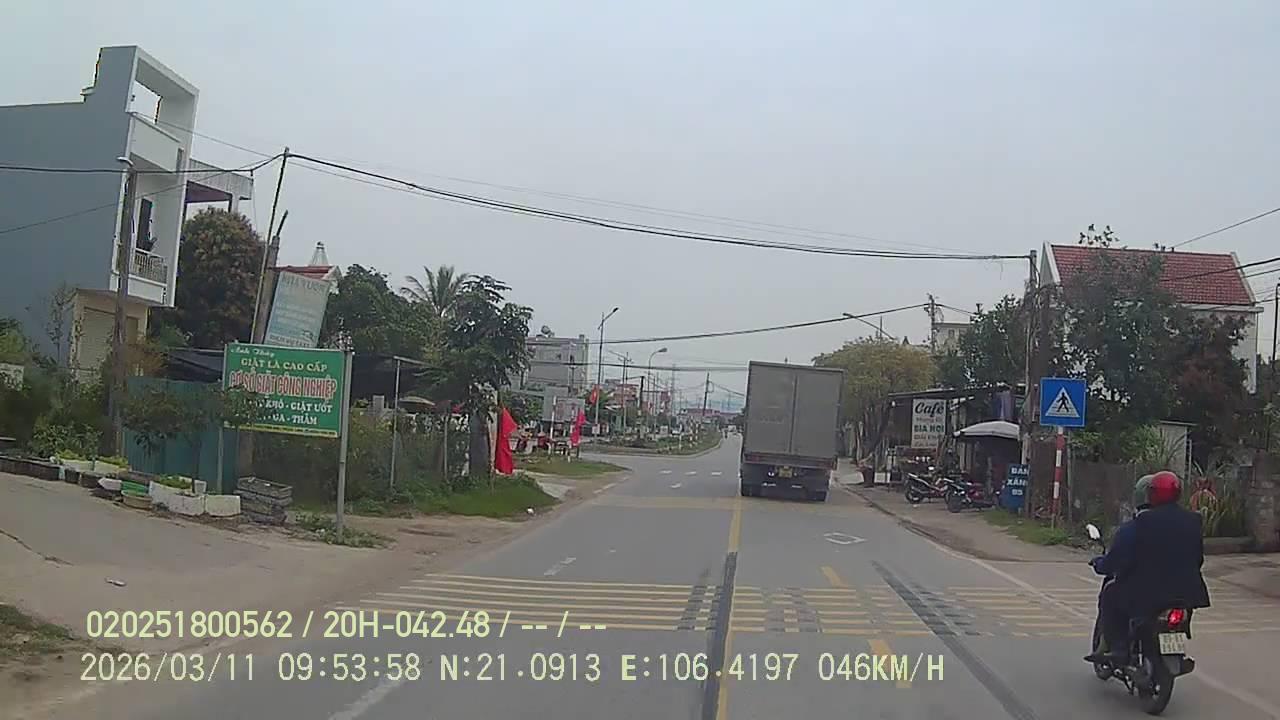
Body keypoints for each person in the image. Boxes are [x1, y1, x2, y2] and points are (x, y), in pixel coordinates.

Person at [1086, 470, 1210, 664]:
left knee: (1110, 595)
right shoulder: (1193, 521)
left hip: (1149, 595)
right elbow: (1198, 558)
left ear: (1150, 494)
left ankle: (1119, 648)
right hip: (1187, 593)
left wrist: (1100, 564)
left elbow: (1116, 559)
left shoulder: (1139, 524)